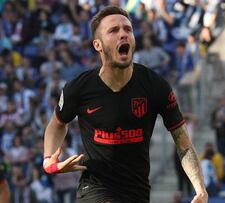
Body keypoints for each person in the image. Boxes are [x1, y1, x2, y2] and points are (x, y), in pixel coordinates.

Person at [42, 6, 207, 203]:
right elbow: (58, 123)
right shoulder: (79, 88)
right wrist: (48, 160)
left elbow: (184, 144)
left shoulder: (155, 86)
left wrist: (200, 189)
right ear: (98, 45)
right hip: (95, 189)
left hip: (137, 192)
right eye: (113, 30)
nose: (123, 34)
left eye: (127, 29)